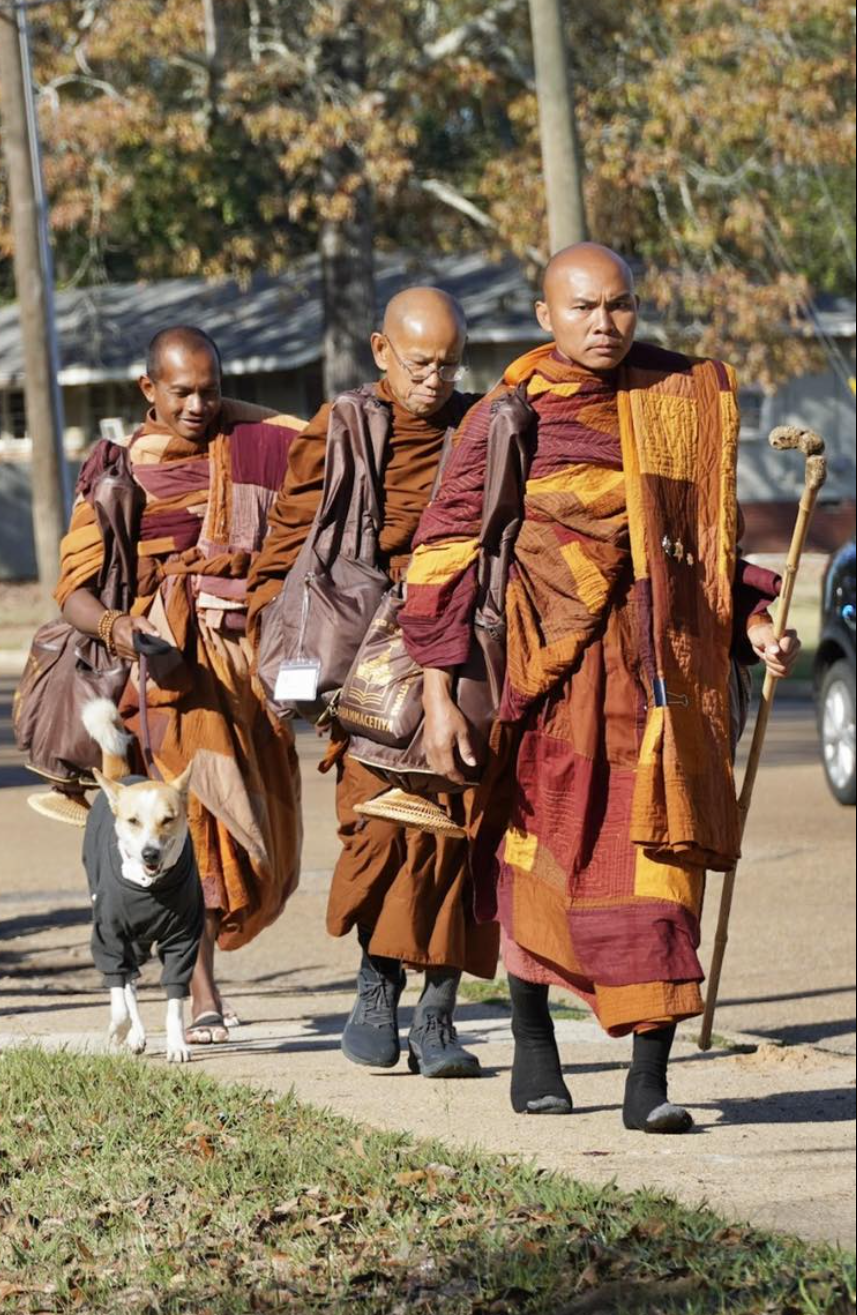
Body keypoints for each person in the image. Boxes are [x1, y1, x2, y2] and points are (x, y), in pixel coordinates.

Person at [402, 244, 800, 1129]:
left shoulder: (679, 396)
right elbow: (446, 550)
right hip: (548, 684)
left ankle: (649, 1082)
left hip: (664, 683)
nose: (604, 323)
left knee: (663, 871)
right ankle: (534, 1040)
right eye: (583, 308)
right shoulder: (509, 414)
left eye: (619, 305)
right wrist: (437, 693)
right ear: (546, 315)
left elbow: (705, 541)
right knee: (539, 866)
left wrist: (754, 624)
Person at [249, 287, 496, 1079]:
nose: (435, 379)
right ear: (381, 349)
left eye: (450, 364)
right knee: (380, 828)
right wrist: (278, 645)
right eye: (420, 363)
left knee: (460, 828)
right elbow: (287, 546)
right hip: (367, 662)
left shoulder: (486, 426)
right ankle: (377, 987)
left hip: (462, 648)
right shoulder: (342, 426)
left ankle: (438, 1014)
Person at [56, 326, 305, 1045]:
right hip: (162, 676)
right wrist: (119, 629)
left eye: (211, 391)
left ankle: (195, 980)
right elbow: (72, 590)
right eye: (182, 392)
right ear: (149, 389)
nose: (198, 406)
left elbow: (324, 457)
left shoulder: (260, 444)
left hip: (246, 669)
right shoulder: (120, 471)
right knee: (193, 825)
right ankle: (200, 990)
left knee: (257, 825)